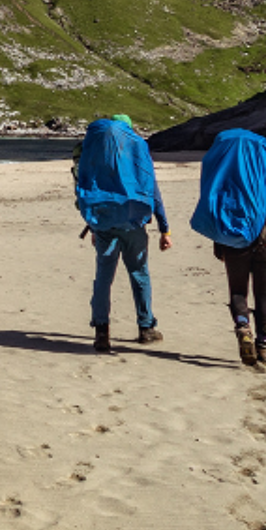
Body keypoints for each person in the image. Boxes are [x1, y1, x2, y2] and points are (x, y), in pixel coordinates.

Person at [189, 128, 266, 366]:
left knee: (238, 291)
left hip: (235, 245)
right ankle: (264, 346)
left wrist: (219, 246)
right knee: (264, 294)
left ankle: (243, 326)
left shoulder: (226, 182)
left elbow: (220, 216)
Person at [73, 114, 172, 353]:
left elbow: (82, 193)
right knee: (139, 274)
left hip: (103, 224)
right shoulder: (136, 155)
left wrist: (93, 222)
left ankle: (102, 332)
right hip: (134, 225)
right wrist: (164, 228)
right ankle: (146, 328)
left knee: (103, 278)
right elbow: (153, 192)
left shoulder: (94, 157)